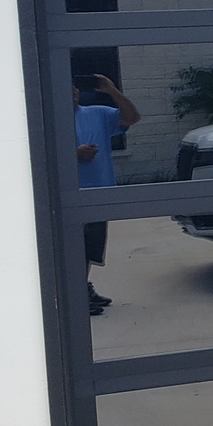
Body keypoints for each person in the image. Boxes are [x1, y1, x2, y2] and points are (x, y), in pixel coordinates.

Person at [74, 73, 140, 316]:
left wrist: (112, 90)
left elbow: (132, 117)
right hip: (70, 194)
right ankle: (75, 294)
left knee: (90, 247)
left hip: (99, 191)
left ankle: (80, 288)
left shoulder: (97, 113)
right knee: (73, 246)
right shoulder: (49, 122)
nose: (72, 92)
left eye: (74, 88)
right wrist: (74, 153)